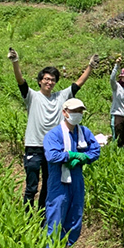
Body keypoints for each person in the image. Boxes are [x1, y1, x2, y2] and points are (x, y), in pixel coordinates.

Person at [9, 47, 98, 211]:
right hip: (34, 147)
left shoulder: (60, 97)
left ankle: (42, 217)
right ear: (40, 81)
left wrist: (90, 67)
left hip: (54, 149)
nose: (50, 82)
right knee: (31, 187)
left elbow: (78, 84)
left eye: (53, 80)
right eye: (46, 79)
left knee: (49, 186)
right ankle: (27, 217)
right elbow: (20, 81)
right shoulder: (32, 96)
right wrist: (15, 62)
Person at [42, 98, 100, 248]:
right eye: (74, 111)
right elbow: (52, 156)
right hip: (58, 179)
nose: (77, 114)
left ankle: (67, 246)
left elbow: (95, 151)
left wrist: (84, 157)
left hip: (76, 179)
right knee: (56, 212)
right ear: (65, 112)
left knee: (75, 212)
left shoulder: (84, 132)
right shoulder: (54, 134)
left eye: (80, 111)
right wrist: (72, 155)